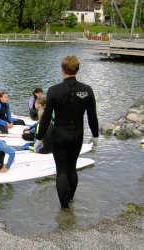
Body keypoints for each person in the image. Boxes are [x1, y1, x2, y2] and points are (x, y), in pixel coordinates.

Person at [35, 55, 99, 210]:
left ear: (62, 69)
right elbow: (92, 116)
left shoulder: (54, 91)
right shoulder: (87, 90)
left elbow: (46, 117)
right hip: (77, 134)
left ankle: (64, 207)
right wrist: (95, 136)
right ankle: (70, 198)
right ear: (77, 69)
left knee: (61, 170)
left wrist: (39, 137)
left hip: (59, 135)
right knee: (72, 168)